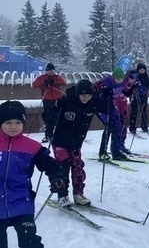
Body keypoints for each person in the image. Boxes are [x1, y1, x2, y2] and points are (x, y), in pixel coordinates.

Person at [0, 100, 66, 248]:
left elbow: (51, 166)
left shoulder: (32, 147)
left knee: (31, 243)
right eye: (8, 122)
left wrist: (56, 178)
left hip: (21, 203)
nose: (13, 127)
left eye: (18, 122)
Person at [50, 79, 99, 207]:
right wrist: (55, 107)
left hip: (76, 143)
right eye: (83, 95)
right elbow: (48, 115)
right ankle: (62, 195)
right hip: (60, 142)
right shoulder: (67, 102)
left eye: (88, 95)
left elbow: (106, 107)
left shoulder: (92, 103)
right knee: (63, 167)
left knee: (78, 168)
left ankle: (78, 193)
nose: (85, 98)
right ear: (77, 94)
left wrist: (108, 96)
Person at [93, 68, 134, 160]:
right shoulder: (104, 82)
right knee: (110, 126)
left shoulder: (124, 82)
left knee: (118, 126)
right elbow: (92, 92)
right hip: (101, 107)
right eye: (118, 79)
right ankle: (102, 152)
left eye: (121, 79)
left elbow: (125, 93)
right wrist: (102, 94)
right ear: (113, 77)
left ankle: (115, 151)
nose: (120, 81)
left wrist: (132, 88)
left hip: (111, 106)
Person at [31, 63, 67, 143]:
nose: (51, 72)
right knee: (49, 118)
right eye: (49, 70)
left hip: (57, 99)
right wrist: (44, 82)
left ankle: (60, 134)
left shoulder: (56, 77)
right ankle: (48, 135)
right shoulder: (42, 77)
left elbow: (63, 82)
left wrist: (54, 81)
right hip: (47, 99)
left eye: (52, 70)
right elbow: (34, 84)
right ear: (46, 71)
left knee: (58, 117)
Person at [129, 63, 149, 134]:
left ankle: (144, 126)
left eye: (143, 69)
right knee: (134, 111)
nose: (142, 71)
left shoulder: (146, 77)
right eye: (140, 69)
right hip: (135, 96)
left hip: (143, 96)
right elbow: (130, 84)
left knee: (143, 111)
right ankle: (132, 127)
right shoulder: (135, 76)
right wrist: (134, 86)